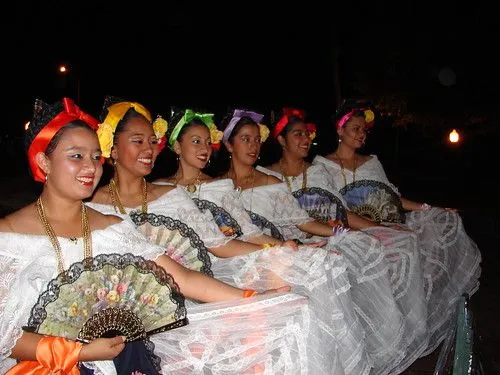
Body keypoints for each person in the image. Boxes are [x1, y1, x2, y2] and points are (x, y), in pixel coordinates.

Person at [0, 97, 320, 375]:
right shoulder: (9, 237)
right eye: (76, 156)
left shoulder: (112, 227)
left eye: (95, 156)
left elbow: (181, 277)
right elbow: (6, 335)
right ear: (43, 161)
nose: (90, 167)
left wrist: (252, 299)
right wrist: (79, 353)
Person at [152, 108, 376, 374]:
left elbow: (248, 233)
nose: (204, 149)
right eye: (195, 141)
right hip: (177, 272)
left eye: (206, 142)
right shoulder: (160, 189)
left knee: (284, 276)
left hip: (223, 266)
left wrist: (282, 247)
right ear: (177, 146)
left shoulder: (219, 188)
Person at [217, 108, 419, 374]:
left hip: (274, 256)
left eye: (256, 139)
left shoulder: (270, 182)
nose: (254, 145)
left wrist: (345, 233)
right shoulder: (216, 186)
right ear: (229, 144)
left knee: (320, 273)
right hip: (234, 262)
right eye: (245, 139)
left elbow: (302, 221)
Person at [313, 98, 482, 356]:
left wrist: (428, 208)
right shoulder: (321, 166)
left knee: (422, 234)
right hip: (348, 230)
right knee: (396, 245)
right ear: (340, 130)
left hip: (382, 225)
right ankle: (375, 336)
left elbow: (392, 198)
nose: (361, 135)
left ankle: (408, 329)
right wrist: (377, 230)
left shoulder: (371, 162)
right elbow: (334, 211)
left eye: (364, 130)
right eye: (355, 129)